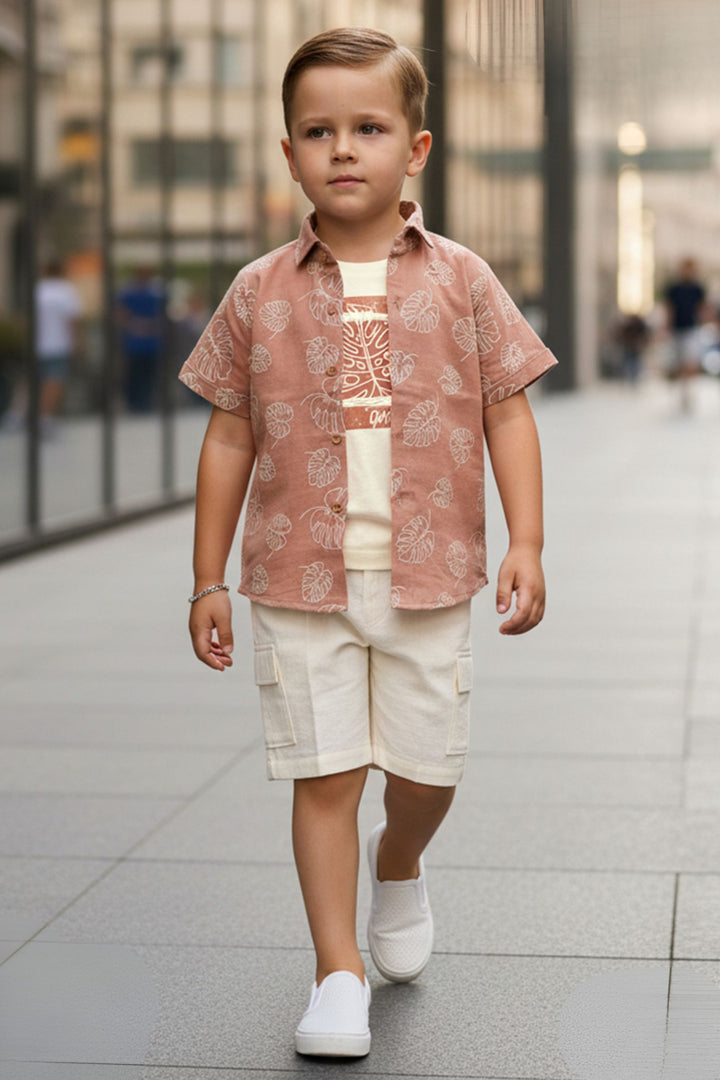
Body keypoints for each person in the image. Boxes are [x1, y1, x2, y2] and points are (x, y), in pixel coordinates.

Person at [179, 28, 557, 1059]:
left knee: (429, 774)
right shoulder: (259, 290)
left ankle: (400, 863)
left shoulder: (464, 279)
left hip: (430, 578)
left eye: (369, 128)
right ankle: (335, 972)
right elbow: (228, 432)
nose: (343, 148)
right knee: (325, 774)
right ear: (290, 151)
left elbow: (509, 410)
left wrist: (528, 540)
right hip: (300, 582)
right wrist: (206, 577)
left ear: (417, 148)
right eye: (318, 131)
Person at [35, 259, 83, 437]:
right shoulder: (65, 291)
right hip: (58, 344)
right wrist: (78, 342)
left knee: (35, 380)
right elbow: (73, 320)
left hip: (38, 343)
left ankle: (18, 415)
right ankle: (46, 418)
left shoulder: (38, 290)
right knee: (54, 381)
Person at [117, 265, 165, 412]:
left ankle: (144, 401)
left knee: (147, 373)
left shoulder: (156, 293)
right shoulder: (129, 293)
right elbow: (121, 315)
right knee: (135, 373)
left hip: (149, 340)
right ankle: (134, 402)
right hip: (136, 341)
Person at [664, 257, 709, 407]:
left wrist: (705, 322)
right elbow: (669, 309)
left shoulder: (697, 288)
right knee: (679, 362)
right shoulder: (674, 289)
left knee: (691, 361)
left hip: (692, 329)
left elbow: (702, 308)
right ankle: (682, 390)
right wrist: (666, 328)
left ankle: (690, 390)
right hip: (677, 329)